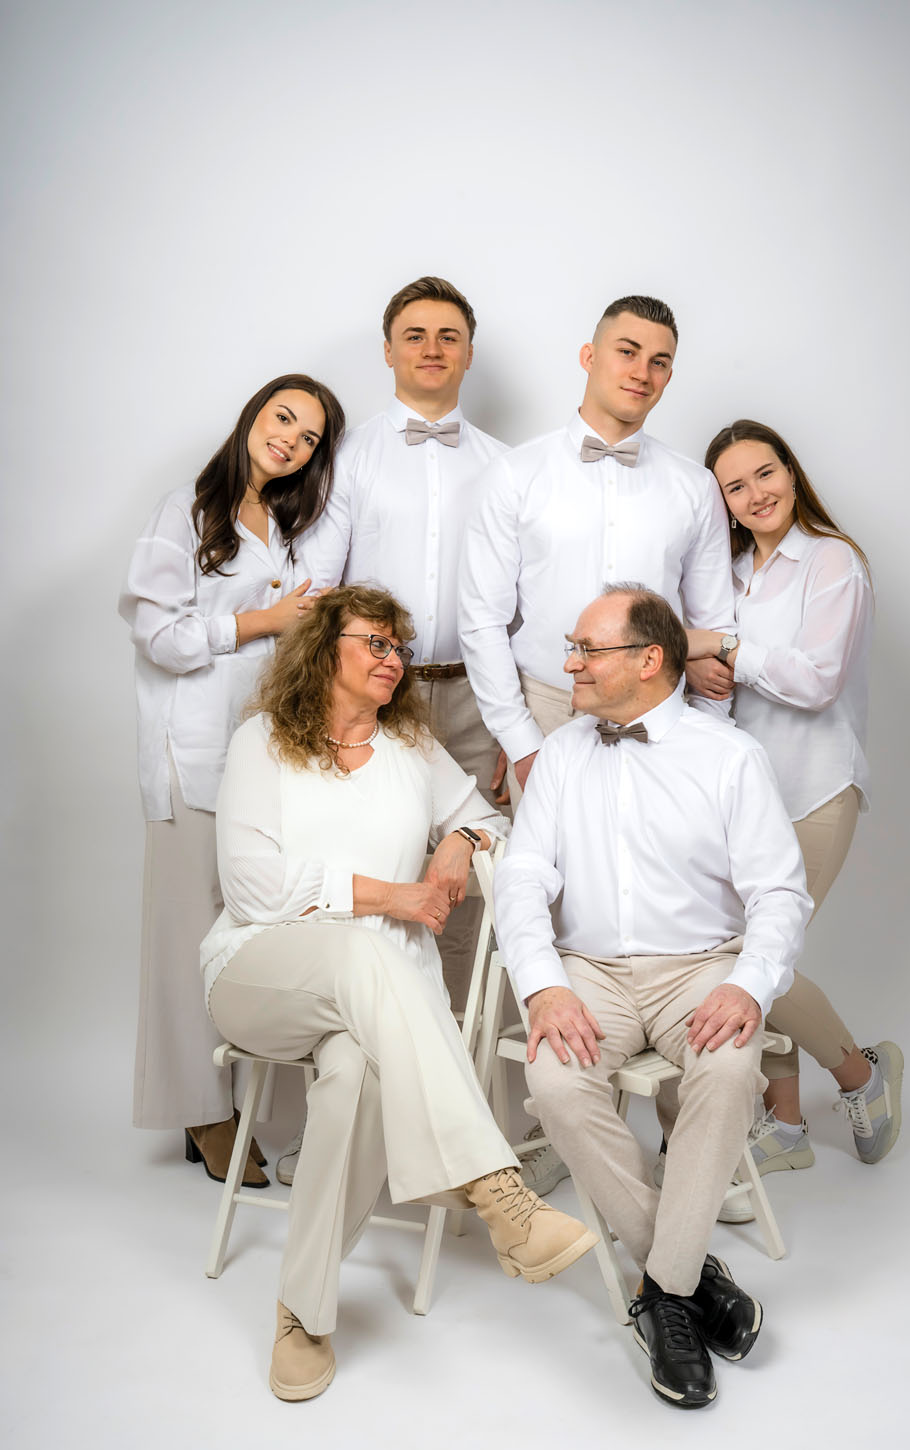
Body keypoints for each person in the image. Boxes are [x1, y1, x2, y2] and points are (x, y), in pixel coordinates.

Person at [201, 584, 597, 1401]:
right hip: (260, 971)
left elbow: (497, 823)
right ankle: (495, 1191)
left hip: (374, 1011)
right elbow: (251, 889)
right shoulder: (260, 743)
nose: (394, 660)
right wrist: (394, 897)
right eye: (376, 643)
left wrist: (456, 840)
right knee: (360, 953)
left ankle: (300, 1315)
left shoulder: (411, 746)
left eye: (400, 649)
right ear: (323, 647)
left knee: (358, 1076)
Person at [493, 584, 812, 1410]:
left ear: (649, 659)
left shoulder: (729, 756)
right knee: (555, 1082)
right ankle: (687, 1277)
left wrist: (746, 983)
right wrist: (543, 987)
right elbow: (524, 880)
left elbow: (779, 893)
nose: (569, 665)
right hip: (588, 971)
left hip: (701, 967)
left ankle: (659, 1297)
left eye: (586, 650)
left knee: (730, 1070)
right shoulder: (562, 754)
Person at [119, 374, 345, 1185]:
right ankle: (203, 1114)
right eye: (283, 418)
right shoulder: (185, 510)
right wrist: (262, 620)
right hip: (189, 755)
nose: (290, 438)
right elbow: (160, 636)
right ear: (253, 415)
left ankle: (252, 1104)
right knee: (187, 935)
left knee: (250, 932)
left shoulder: (282, 529)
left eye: (310, 436)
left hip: (257, 756)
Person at [683, 420, 902, 1192]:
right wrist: (704, 663)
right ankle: (786, 1124)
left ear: (791, 471)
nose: (754, 494)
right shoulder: (730, 571)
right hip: (740, 799)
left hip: (814, 788)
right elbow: (706, 677)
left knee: (761, 966)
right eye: (734, 487)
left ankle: (859, 1075)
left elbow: (815, 681)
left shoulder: (832, 561)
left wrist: (724, 650)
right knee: (737, 954)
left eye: (764, 473)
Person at [299, 276, 509, 1011]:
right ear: (388, 350)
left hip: (479, 698)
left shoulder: (504, 465)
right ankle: (378, 1059)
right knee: (375, 862)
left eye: (448, 336)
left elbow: (518, 602)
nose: (431, 348)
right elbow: (321, 589)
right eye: (415, 335)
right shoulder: (347, 456)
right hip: (377, 696)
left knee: (473, 876)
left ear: (470, 354)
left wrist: (514, 724)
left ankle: (463, 1070)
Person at [459, 293, 736, 810]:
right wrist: (520, 741)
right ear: (589, 356)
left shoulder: (695, 488)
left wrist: (703, 738)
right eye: (626, 352)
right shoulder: (515, 476)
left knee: (654, 886)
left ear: (670, 377)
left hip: (659, 712)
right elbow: (481, 620)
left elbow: (715, 621)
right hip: (545, 708)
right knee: (547, 885)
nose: (642, 373)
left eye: (659, 362)